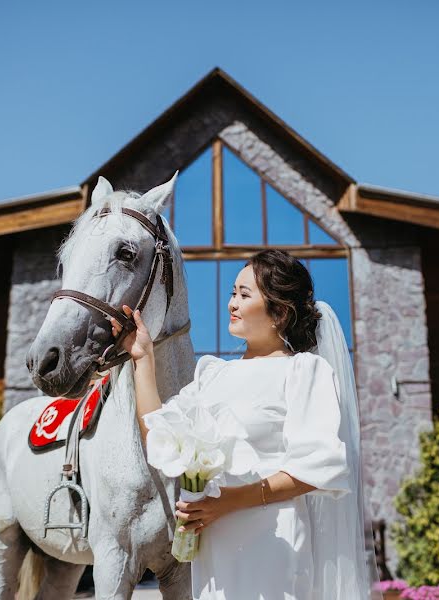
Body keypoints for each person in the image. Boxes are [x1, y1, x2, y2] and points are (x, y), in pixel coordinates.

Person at [109, 249, 379, 599]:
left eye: (244, 294)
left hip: (273, 543)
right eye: (233, 292)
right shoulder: (213, 374)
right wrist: (142, 358)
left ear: (280, 312)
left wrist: (227, 502)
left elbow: (316, 466)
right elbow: (159, 438)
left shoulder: (303, 372)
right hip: (214, 546)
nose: (232, 303)